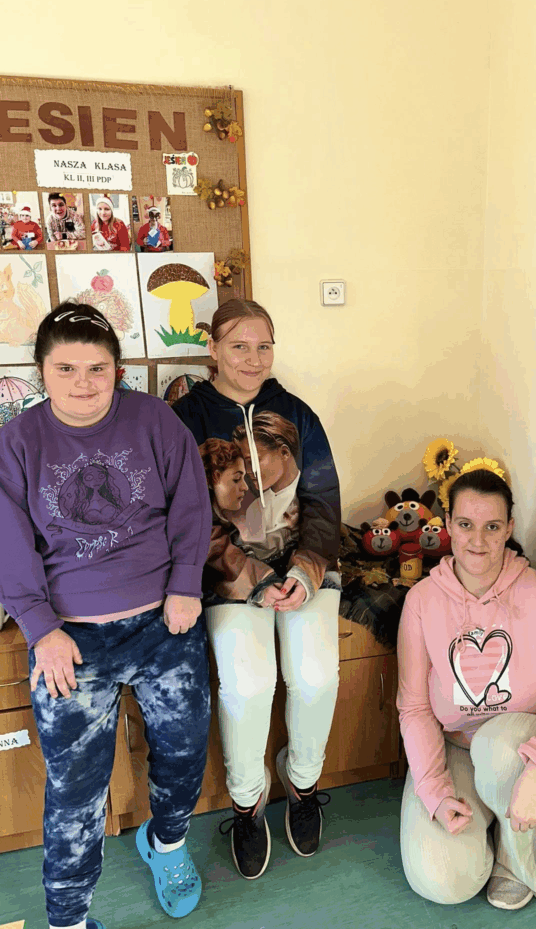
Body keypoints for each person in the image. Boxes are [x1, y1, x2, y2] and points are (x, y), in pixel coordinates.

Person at [0, 301, 213, 929]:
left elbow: (190, 506)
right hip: (69, 641)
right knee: (75, 791)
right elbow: (8, 544)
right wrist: (41, 629)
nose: (83, 384)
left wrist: (186, 584)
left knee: (183, 752)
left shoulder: (155, 420)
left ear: (117, 369)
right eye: (65, 369)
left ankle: (166, 844)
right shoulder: (16, 442)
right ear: (42, 372)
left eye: (97, 368)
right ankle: (68, 918)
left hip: (164, 624)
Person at [172, 299, 342, 882]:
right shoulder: (186, 418)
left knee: (316, 675)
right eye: (239, 346)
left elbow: (323, 498)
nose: (253, 358)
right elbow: (187, 514)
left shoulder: (297, 414)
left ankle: (302, 784)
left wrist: (306, 570)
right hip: (226, 573)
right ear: (213, 348)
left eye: (263, 346)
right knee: (247, 685)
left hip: (304, 567)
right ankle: (247, 803)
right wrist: (254, 578)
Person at [397, 467, 536, 911]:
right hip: (458, 750)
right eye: (465, 524)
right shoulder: (421, 602)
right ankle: (486, 823)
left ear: (509, 528)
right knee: (442, 882)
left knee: (496, 747)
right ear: (448, 525)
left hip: (529, 760)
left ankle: (515, 856)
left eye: (492, 527)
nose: (478, 540)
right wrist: (436, 791)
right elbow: (414, 709)